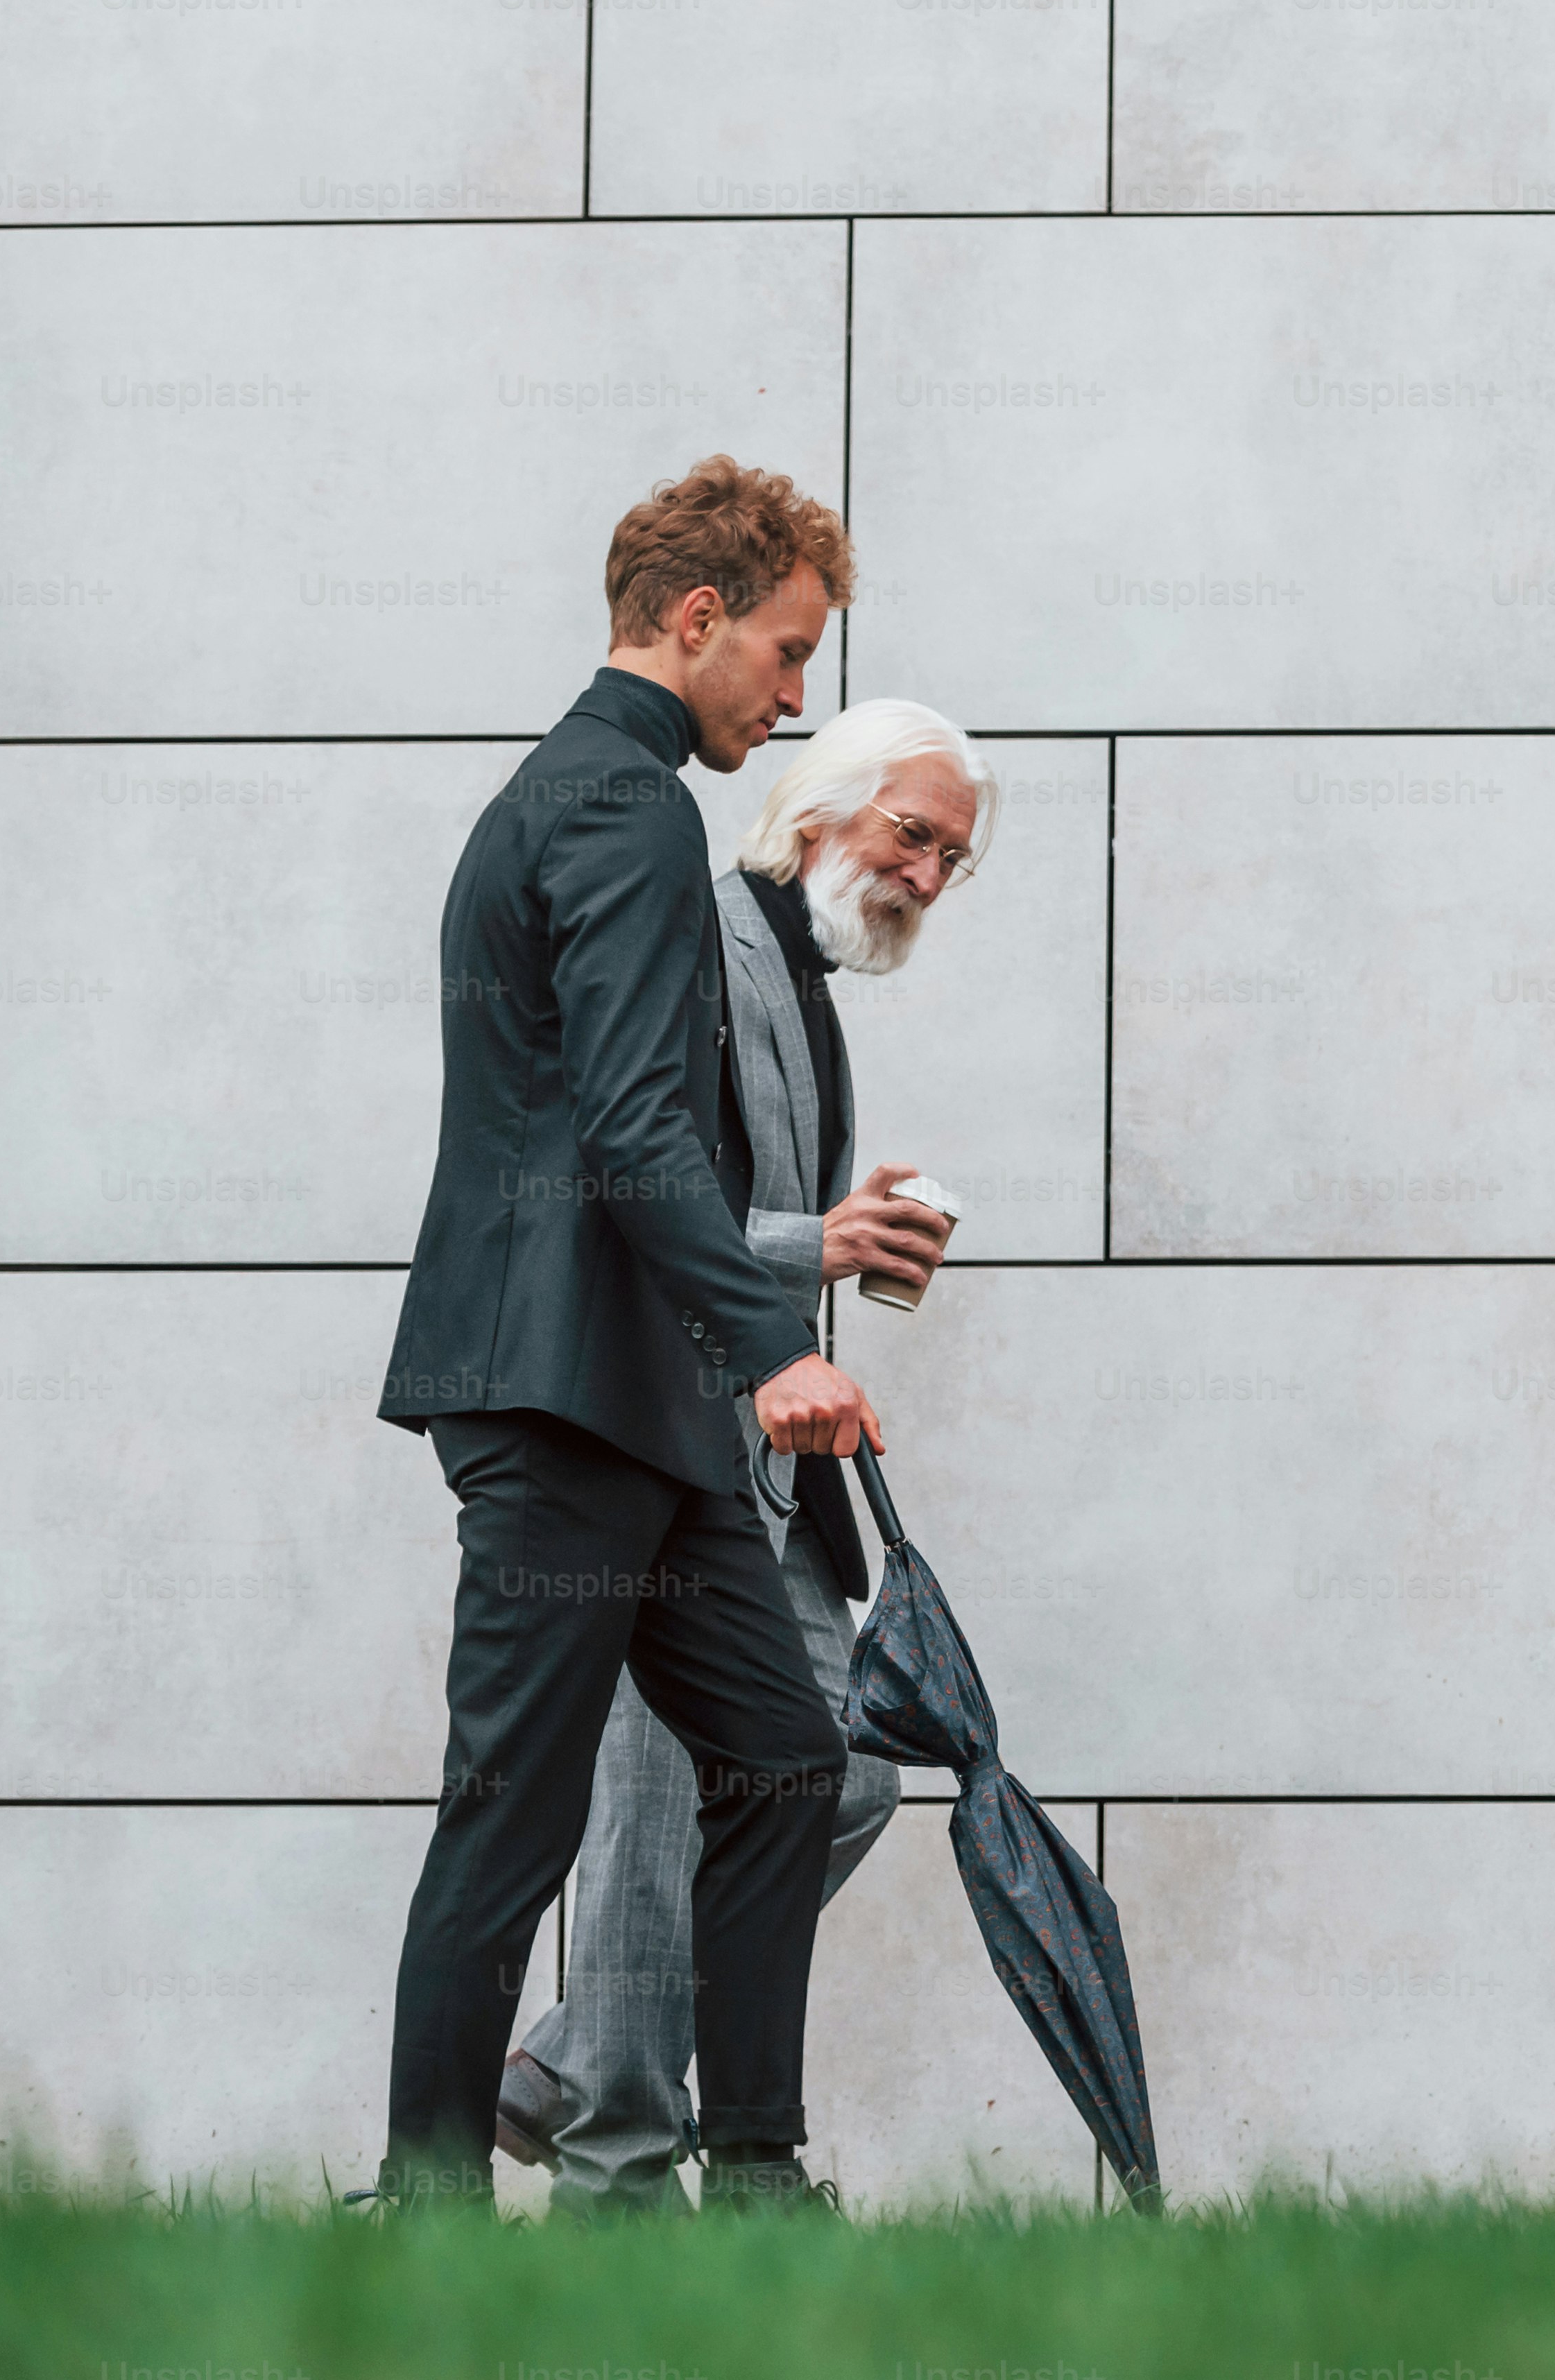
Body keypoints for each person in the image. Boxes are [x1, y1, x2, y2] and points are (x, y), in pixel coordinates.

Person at [370, 457, 885, 2211]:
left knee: (786, 1759)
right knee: (506, 1821)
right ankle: (430, 2215)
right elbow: (632, 1125)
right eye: (789, 654)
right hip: (563, 1397)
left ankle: (749, 2178)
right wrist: (773, 1341)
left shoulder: (604, 795)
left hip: (633, 1412)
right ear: (697, 619)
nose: (797, 697)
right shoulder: (615, 805)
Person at [497, 698, 997, 2214]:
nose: (924, 872)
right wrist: (813, 1239)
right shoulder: (709, 938)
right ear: (820, 808)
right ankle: (621, 2182)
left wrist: (839, 1234)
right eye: (911, 832)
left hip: (760, 1481)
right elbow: (617, 1183)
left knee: (839, 1778)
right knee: (651, 1835)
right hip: (663, 1456)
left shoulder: (800, 976)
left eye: (951, 859)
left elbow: (723, 1193)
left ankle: (564, 2063)